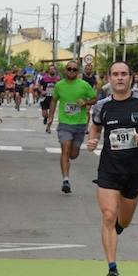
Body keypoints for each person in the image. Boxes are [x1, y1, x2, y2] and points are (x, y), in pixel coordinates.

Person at [85, 61, 138, 276]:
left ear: (131, 78)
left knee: (124, 221)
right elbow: (96, 127)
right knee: (108, 215)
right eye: (115, 74)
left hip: (134, 170)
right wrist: (92, 139)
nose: (119, 78)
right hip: (109, 168)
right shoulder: (102, 105)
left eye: (124, 74)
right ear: (109, 78)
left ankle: (119, 225)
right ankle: (112, 268)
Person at [53, 60, 97, 194]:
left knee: (73, 154)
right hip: (65, 124)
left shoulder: (84, 85)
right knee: (65, 149)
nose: (71, 71)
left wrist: (86, 102)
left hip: (79, 124)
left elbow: (95, 99)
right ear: (65, 70)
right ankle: (65, 180)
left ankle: (68, 167)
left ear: (78, 72)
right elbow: (54, 99)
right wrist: (50, 118)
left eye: (74, 69)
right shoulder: (59, 85)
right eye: (69, 69)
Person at [38, 64, 60, 132]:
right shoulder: (44, 78)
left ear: (55, 70)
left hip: (53, 98)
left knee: (51, 113)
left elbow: (61, 87)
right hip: (44, 97)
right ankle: (45, 118)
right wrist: (42, 91)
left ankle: (48, 127)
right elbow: (38, 86)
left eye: (53, 69)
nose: (52, 70)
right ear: (48, 70)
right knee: (45, 113)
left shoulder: (58, 78)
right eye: (51, 69)